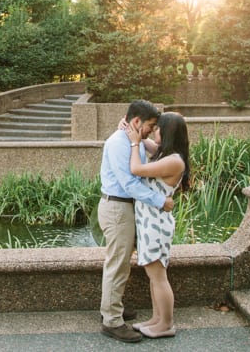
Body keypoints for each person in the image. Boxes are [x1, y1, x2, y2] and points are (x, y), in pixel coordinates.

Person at [98, 100, 175, 343]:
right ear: (136, 122)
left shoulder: (133, 140)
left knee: (122, 261)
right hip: (118, 208)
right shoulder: (119, 143)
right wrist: (159, 200)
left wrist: (139, 139)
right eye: (150, 126)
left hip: (125, 208)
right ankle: (111, 320)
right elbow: (129, 184)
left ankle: (113, 306)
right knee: (118, 263)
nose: (152, 130)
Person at [125, 111, 191, 339]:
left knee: (158, 276)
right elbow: (148, 142)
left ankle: (167, 324)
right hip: (150, 222)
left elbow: (136, 169)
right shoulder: (166, 154)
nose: (154, 131)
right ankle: (157, 319)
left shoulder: (173, 161)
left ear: (168, 130)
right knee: (154, 276)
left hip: (156, 224)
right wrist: (131, 129)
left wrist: (134, 145)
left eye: (158, 127)